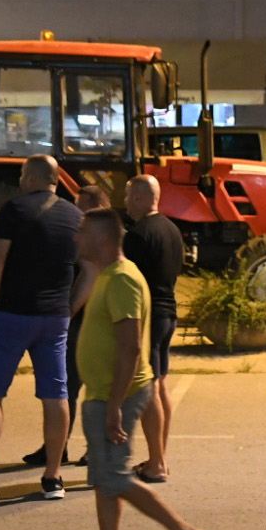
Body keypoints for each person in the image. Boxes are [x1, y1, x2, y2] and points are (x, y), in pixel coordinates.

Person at [56, 208, 210, 530]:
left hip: (115, 395)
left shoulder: (123, 279)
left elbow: (129, 348)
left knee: (115, 477)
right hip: (104, 393)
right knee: (105, 480)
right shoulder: (107, 274)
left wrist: (113, 409)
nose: (76, 239)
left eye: (83, 234)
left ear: (102, 240)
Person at [0, 156, 80, 508]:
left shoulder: (14, 210)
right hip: (55, 318)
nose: (21, 180)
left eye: (23, 175)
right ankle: (53, 477)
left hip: (12, 315)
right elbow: (88, 267)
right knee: (57, 396)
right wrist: (69, 307)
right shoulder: (74, 215)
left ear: (33, 176)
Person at [120, 175, 183, 483]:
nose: (125, 203)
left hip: (148, 317)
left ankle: (156, 463)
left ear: (142, 199)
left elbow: (128, 281)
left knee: (149, 391)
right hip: (169, 313)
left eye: (129, 197)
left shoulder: (137, 235)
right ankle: (160, 456)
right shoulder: (173, 230)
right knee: (161, 386)